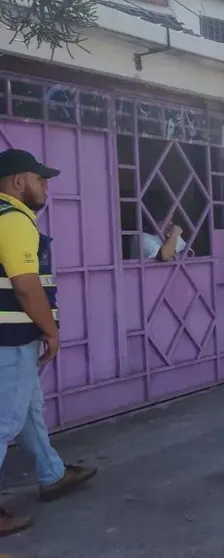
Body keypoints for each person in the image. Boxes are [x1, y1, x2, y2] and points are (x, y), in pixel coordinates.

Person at [0, 149, 97, 537]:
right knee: (5, 421)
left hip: (9, 340)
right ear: (18, 181)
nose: (45, 185)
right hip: (10, 340)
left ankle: (52, 474)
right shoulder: (14, 220)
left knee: (29, 411)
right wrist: (51, 332)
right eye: (40, 179)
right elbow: (26, 287)